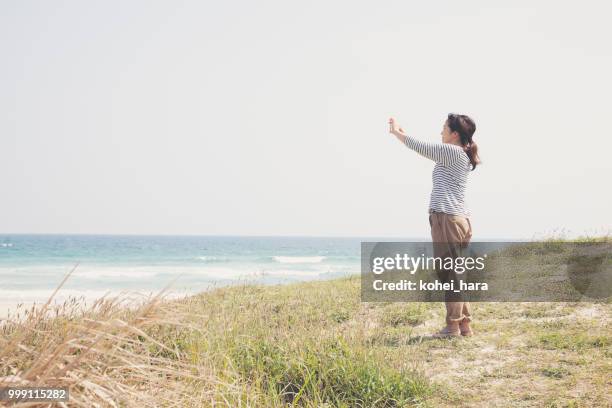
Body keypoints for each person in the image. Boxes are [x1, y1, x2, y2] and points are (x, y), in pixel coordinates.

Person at [388, 113, 481, 337]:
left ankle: (452, 327)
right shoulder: (458, 154)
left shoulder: (453, 151)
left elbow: (419, 146)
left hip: (448, 219)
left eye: (444, 128)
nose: (441, 132)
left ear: (455, 134)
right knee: (455, 273)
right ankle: (463, 324)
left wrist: (397, 133)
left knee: (450, 275)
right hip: (454, 219)